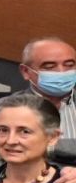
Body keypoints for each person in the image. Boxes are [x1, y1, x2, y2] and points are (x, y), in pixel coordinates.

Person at [19, 36, 76, 164]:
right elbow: (6, 152)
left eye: (69, 65)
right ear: (26, 72)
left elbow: (26, 148)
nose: (61, 72)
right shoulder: (4, 107)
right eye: (50, 67)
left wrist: (42, 147)